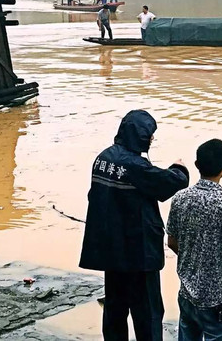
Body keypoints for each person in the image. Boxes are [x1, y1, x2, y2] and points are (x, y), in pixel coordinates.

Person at [79, 109, 190, 341]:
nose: (151, 140)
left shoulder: (103, 158)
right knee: (147, 313)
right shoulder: (136, 166)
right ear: (141, 137)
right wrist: (179, 167)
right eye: (150, 136)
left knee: (115, 310)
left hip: (112, 252)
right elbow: (174, 182)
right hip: (139, 255)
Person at [167, 139, 222, 341]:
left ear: (196, 165)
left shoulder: (179, 199)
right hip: (217, 297)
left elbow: (171, 241)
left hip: (186, 292)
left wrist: (192, 255)